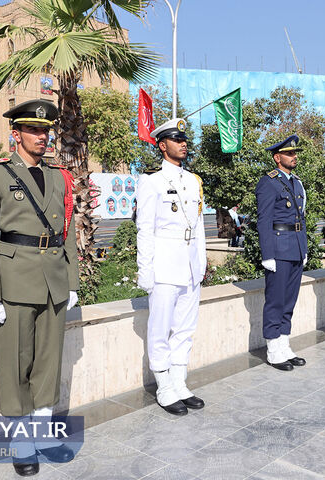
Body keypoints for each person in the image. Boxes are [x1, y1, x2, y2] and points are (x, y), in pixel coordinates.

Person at [0, 99, 79, 476]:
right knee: (16, 362)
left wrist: (73, 280)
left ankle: (43, 432)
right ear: (15, 134)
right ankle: (21, 440)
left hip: (53, 280)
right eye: (34, 130)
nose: (43, 136)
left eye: (46, 130)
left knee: (48, 361)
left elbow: (66, 232)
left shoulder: (57, 176)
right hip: (14, 281)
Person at [136, 118, 207, 416]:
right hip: (164, 264)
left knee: (185, 328)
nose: (184, 143)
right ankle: (164, 386)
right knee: (161, 327)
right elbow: (145, 228)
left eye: (185, 139)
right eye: (177, 139)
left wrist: (201, 262)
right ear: (162, 145)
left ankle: (179, 382)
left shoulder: (193, 181)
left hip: (190, 265)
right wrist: (146, 270)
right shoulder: (150, 180)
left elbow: (199, 225)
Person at [256, 135, 308, 371]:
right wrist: (267, 254)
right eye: (289, 153)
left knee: (289, 301)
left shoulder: (296, 182)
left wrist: (304, 248)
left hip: (295, 246)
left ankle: (284, 344)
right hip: (278, 248)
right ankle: (272, 349)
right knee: (275, 301)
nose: (294, 156)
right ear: (277, 158)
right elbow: (264, 220)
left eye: (295, 153)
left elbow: (302, 219)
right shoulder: (269, 182)